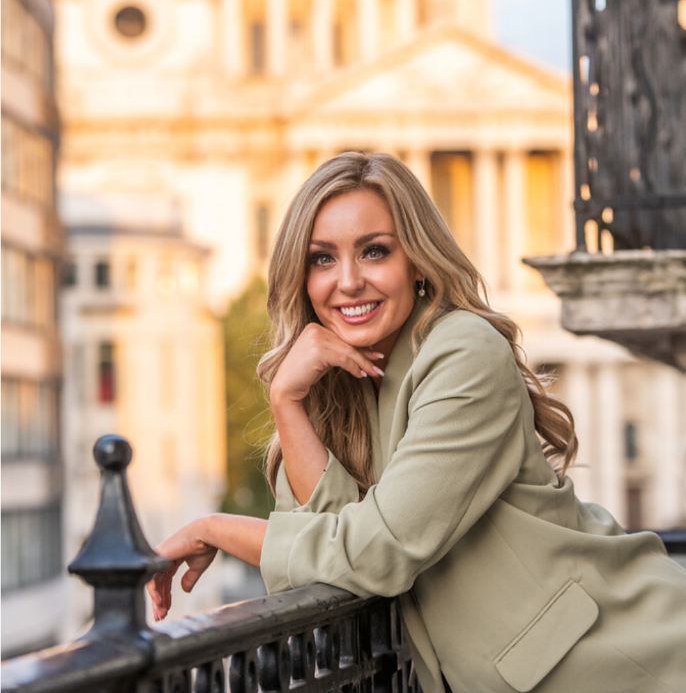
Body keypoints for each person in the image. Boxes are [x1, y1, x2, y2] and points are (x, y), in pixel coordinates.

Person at [148, 152, 686, 693]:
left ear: (418, 261)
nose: (349, 281)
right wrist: (287, 400)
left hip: (630, 663)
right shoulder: (343, 379)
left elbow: (375, 551)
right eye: (322, 259)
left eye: (374, 251)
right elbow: (333, 551)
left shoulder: (463, 351)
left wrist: (213, 527)